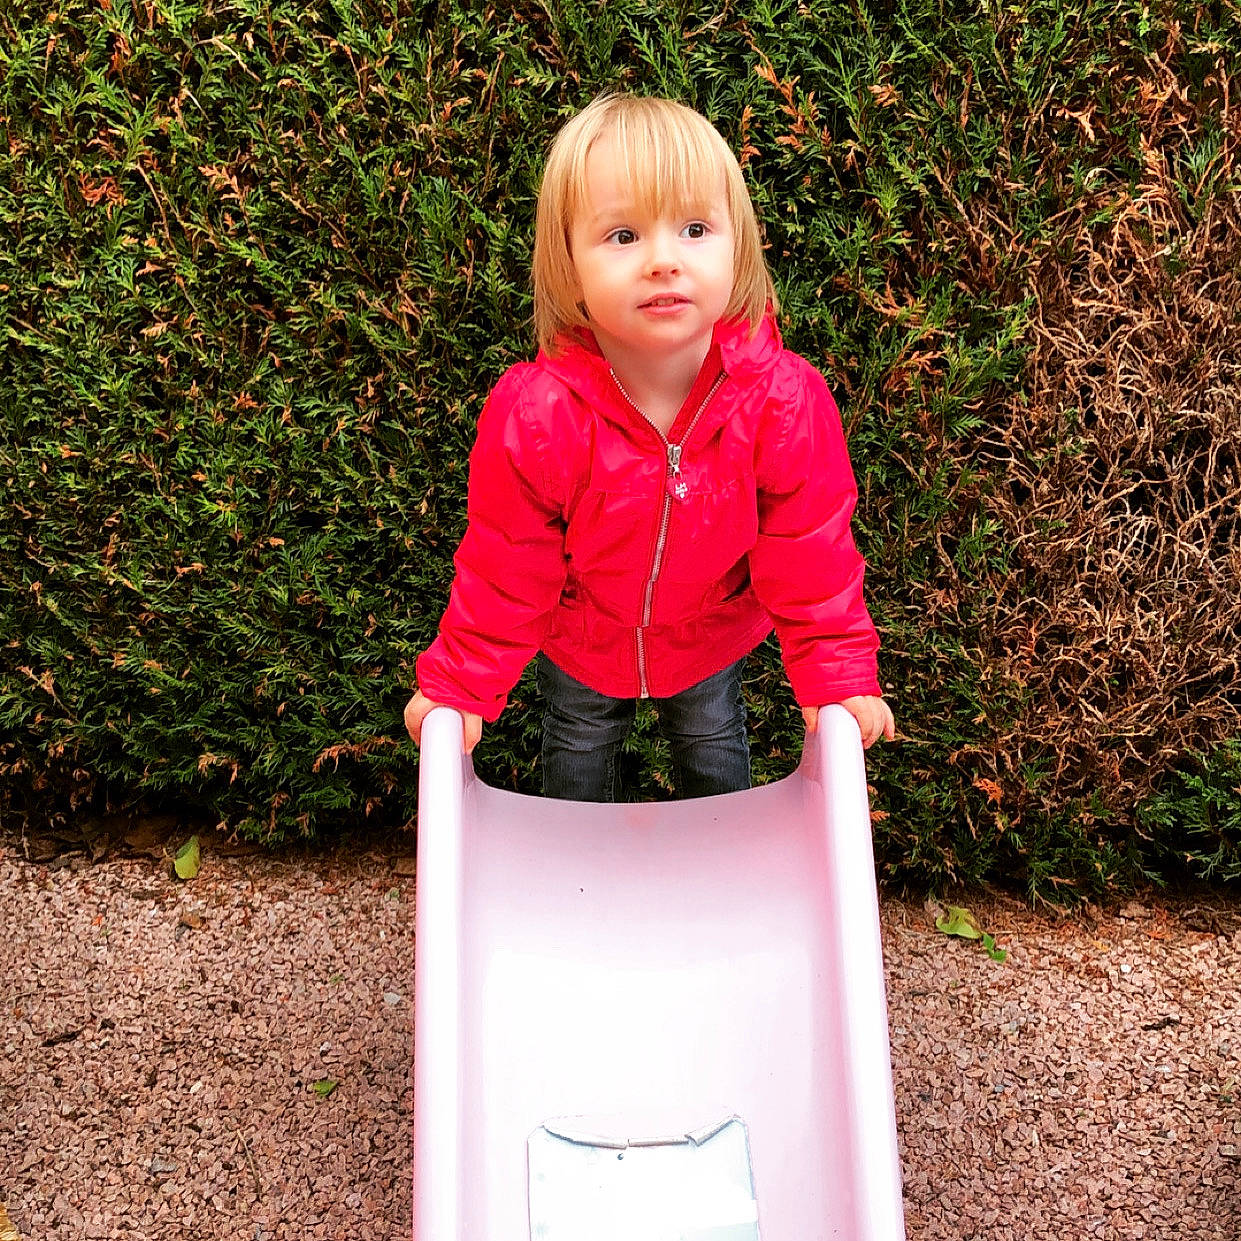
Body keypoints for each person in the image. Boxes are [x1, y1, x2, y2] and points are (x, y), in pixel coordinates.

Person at [404, 92, 894, 801]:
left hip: (708, 635)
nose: (663, 259)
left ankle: (722, 869)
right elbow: (505, 565)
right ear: (569, 264)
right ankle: (573, 878)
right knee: (575, 740)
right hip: (580, 638)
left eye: (694, 228)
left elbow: (810, 552)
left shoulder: (780, 401)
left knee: (711, 739)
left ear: (739, 247)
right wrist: (460, 683)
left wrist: (838, 675)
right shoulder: (539, 413)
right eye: (623, 236)